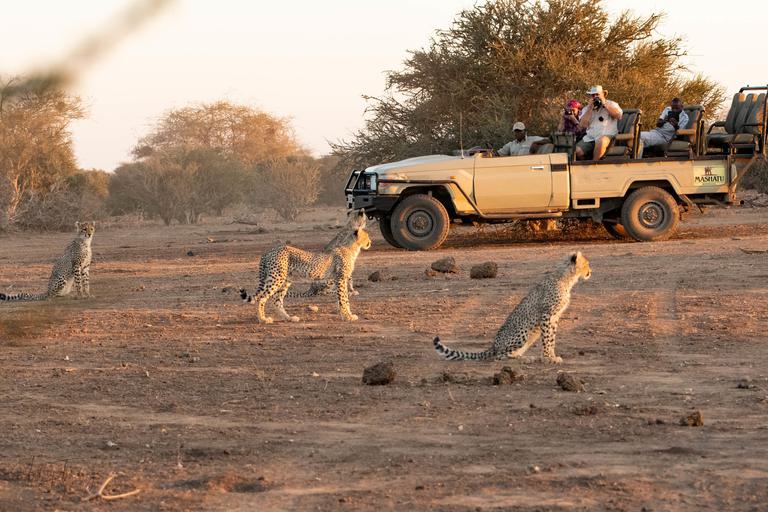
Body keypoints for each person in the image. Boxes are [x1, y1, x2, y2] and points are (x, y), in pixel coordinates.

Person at [574, 85, 623, 160]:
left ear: (603, 94)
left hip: (607, 136)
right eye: (593, 95)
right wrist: (590, 108)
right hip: (591, 138)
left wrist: (604, 105)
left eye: (597, 94)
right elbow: (582, 125)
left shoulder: (612, 104)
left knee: (601, 141)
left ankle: (594, 165)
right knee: (577, 151)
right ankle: (585, 166)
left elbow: (618, 116)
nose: (595, 97)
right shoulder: (587, 108)